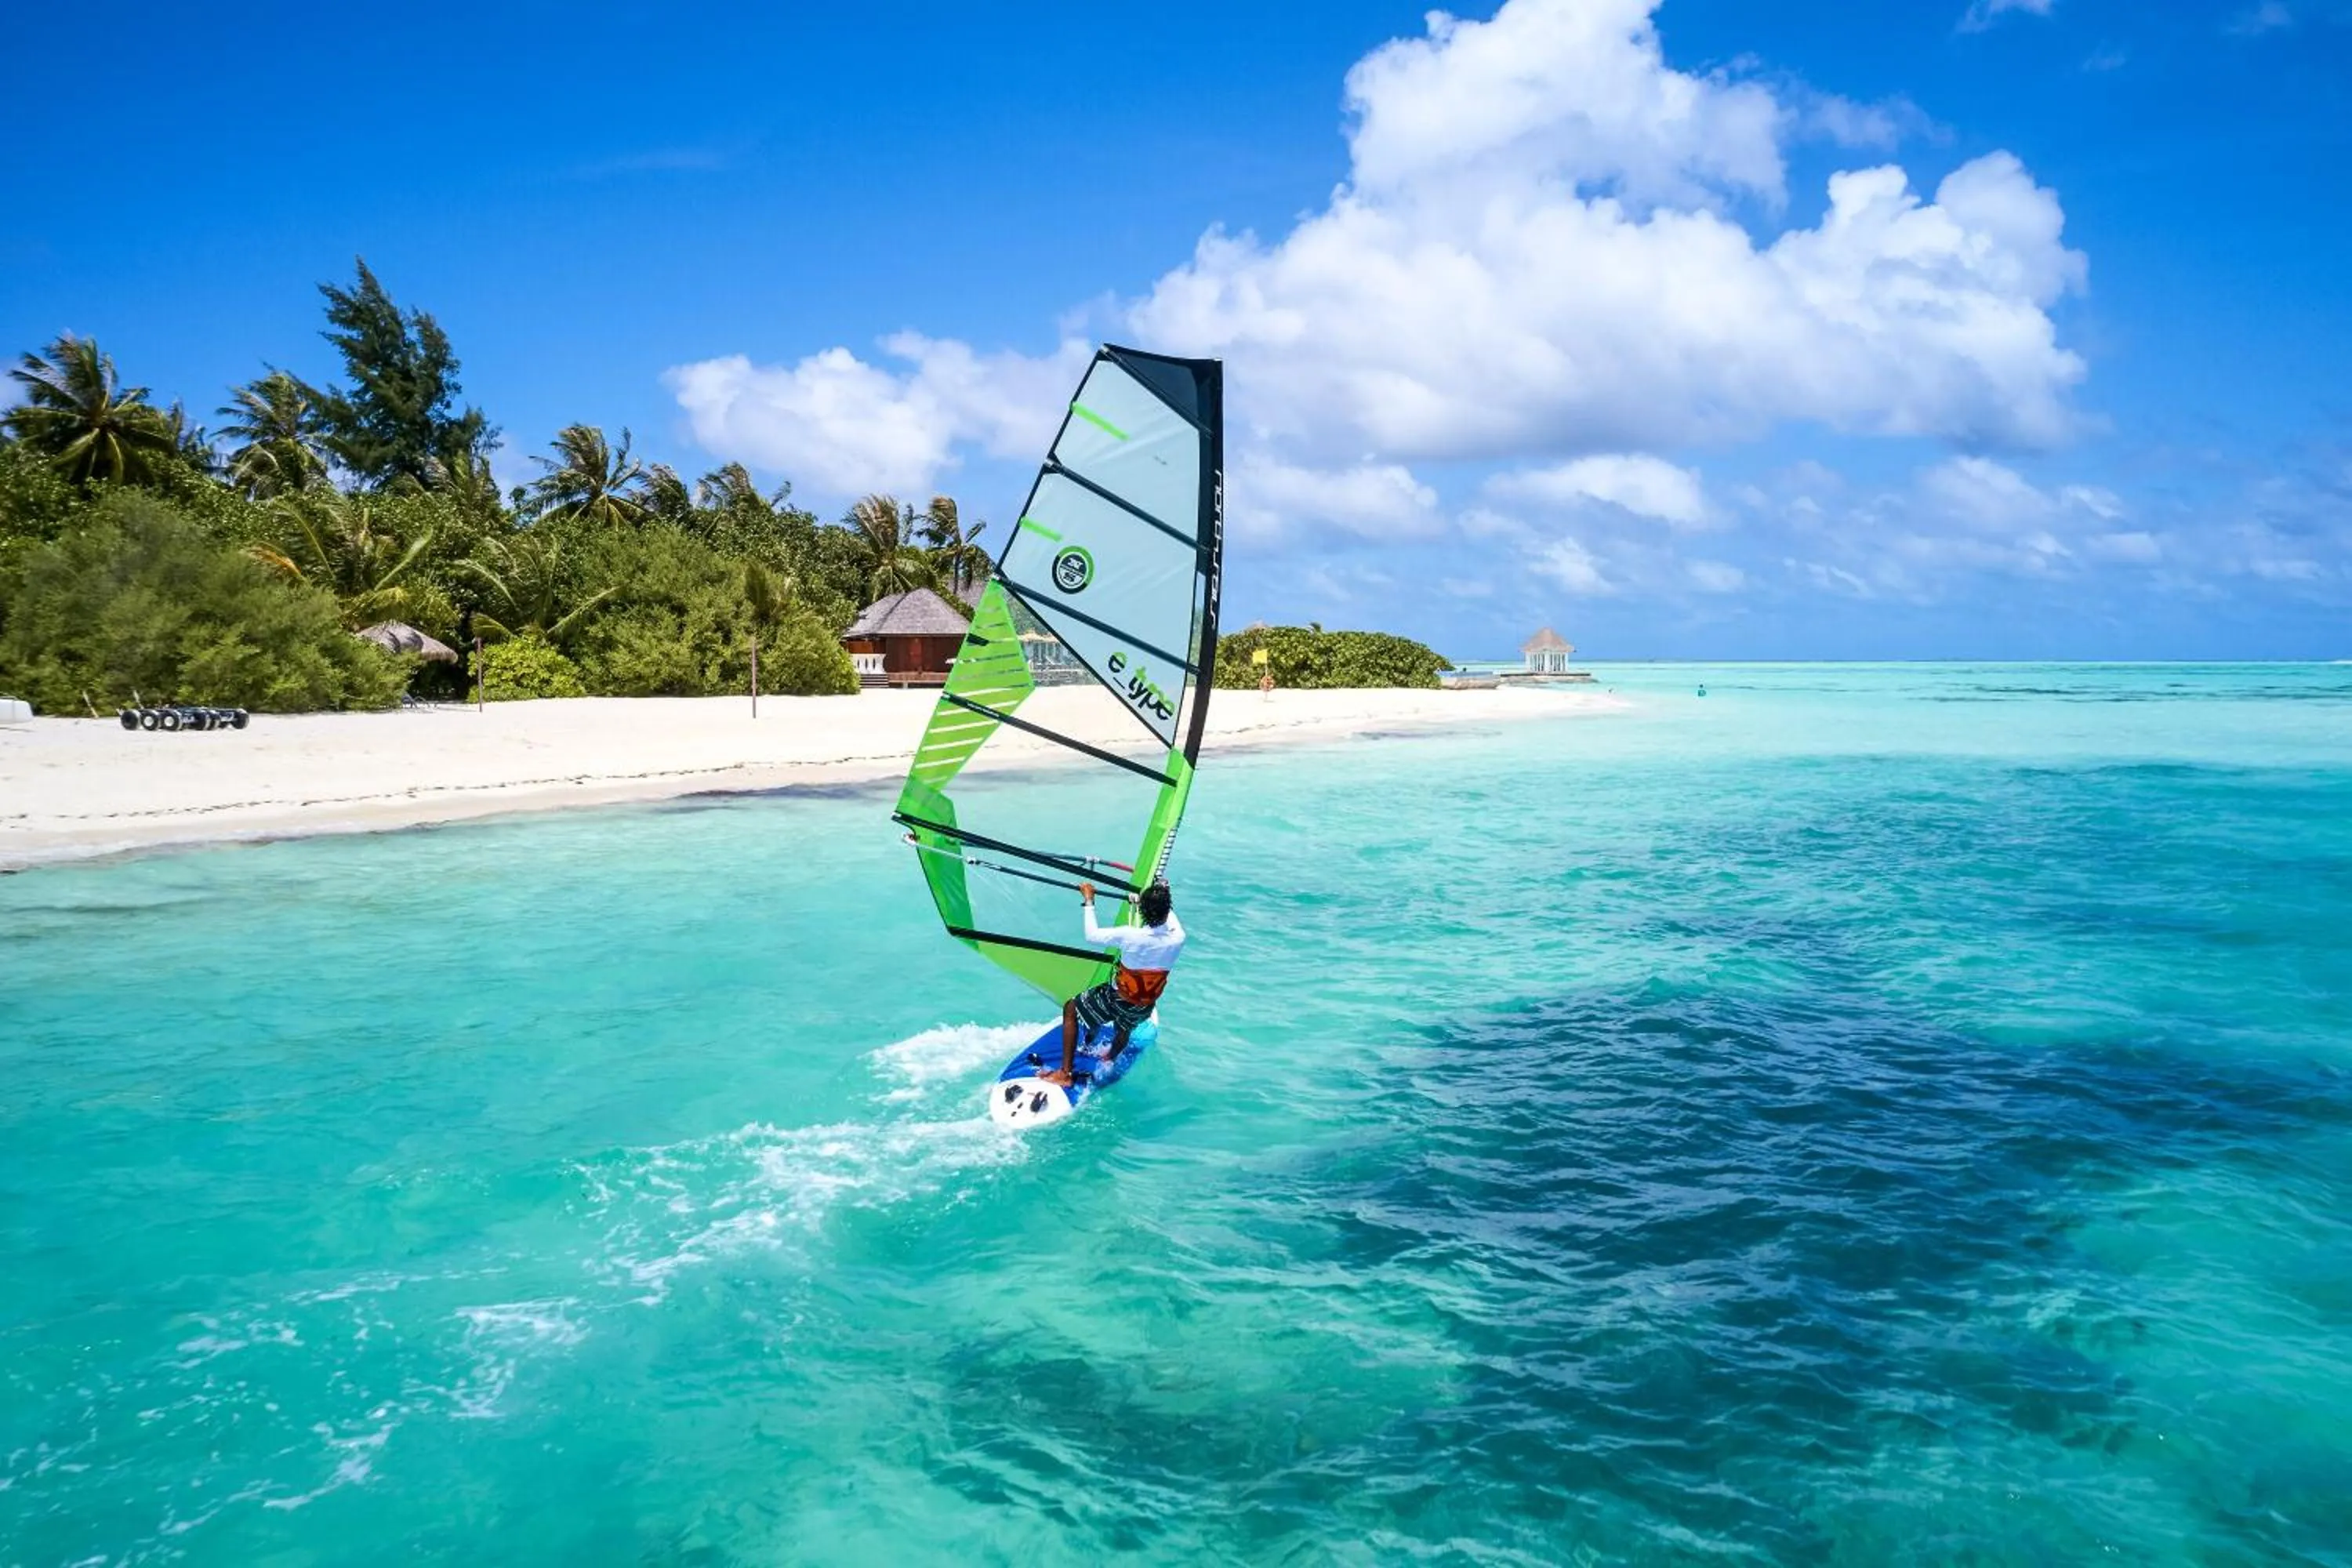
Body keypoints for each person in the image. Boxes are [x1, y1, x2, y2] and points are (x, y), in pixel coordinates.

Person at [1039, 877, 1184, 1086]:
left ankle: (1065, 1074)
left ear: (1142, 911)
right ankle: (1109, 1058)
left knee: (1071, 1008)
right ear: (1166, 909)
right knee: (1124, 1028)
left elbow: (1091, 935)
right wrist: (1161, 892)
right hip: (1144, 1005)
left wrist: (1089, 900)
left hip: (1117, 998)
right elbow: (1169, 915)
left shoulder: (1129, 935)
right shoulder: (1178, 938)